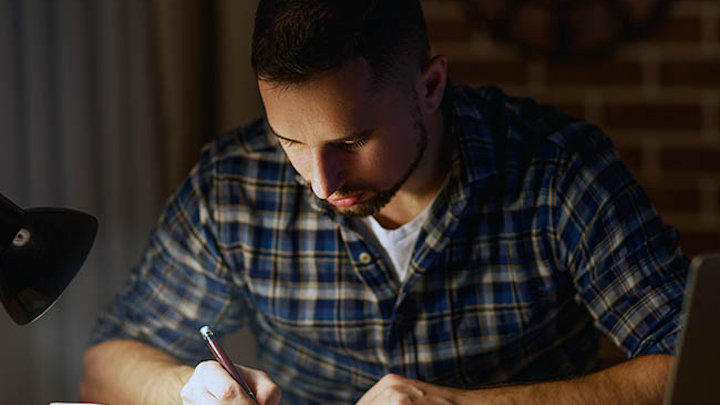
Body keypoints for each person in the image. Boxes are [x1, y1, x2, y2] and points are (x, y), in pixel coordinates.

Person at [81, 1, 689, 404]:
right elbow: (103, 365)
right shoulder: (234, 186)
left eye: (352, 141)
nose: (321, 182)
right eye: (291, 141)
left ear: (429, 87)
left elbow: (688, 364)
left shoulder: (560, 170)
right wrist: (190, 387)